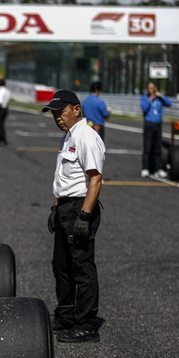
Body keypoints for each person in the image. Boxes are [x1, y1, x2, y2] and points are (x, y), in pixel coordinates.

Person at [43, 89, 105, 343]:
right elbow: (67, 178)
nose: (58, 117)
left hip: (80, 207)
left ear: (76, 109)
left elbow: (95, 179)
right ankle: (66, 316)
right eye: (54, 113)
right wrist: (55, 207)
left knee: (81, 268)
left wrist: (84, 215)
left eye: (62, 111)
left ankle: (87, 324)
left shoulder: (86, 137)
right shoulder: (68, 136)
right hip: (64, 208)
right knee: (62, 266)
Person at [140, 81, 171, 178]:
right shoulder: (145, 98)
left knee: (157, 148)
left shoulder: (159, 99)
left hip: (158, 125)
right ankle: (145, 168)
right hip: (149, 124)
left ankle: (158, 169)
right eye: (149, 88)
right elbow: (144, 108)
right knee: (147, 147)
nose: (151, 90)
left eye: (152, 88)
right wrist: (150, 99)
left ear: (155, 88)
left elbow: (169, 103)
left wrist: (160, 96)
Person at [0, 78, 11, 146]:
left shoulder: (0, 91)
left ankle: (1, 140)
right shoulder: (7, 91)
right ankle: (2, 139)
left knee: (0, 125)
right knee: (2, 125)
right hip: (6, 108)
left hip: (1, 109)